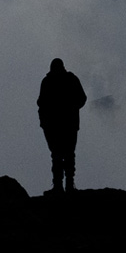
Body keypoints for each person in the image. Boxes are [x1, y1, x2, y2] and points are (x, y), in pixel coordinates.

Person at [37, 58, 87, 195]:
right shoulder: (66, 80)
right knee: (63, 155)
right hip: (63, 125)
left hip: (62, 125)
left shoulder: (50, 82)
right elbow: (41, 104)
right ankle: (64, 186)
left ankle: (63, 186)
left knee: (61, 155)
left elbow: (82, 99)